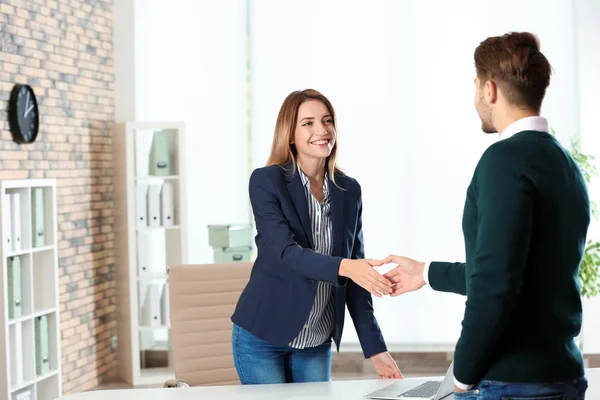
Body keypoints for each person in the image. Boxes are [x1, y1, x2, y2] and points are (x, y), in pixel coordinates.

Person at [384, 32, 589, 399]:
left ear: (489, 89)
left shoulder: (503, 160)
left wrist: (461, 378)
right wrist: (425, 272)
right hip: (562, 377)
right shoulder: (564, 165)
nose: (476, 95)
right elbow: (523, 275)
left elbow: (496, 285)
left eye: (475, 85)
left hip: (510, 384)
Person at [231, 89, 402, 384]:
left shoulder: (349, 191)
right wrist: (345, 267)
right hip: (263, 335)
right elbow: (286, 253)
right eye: (308, 123)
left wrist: (376, 349)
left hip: (316, 339)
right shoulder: (266, 181)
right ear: (290, 134)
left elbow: (356, 281)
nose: (322, 130)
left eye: (327, 120)